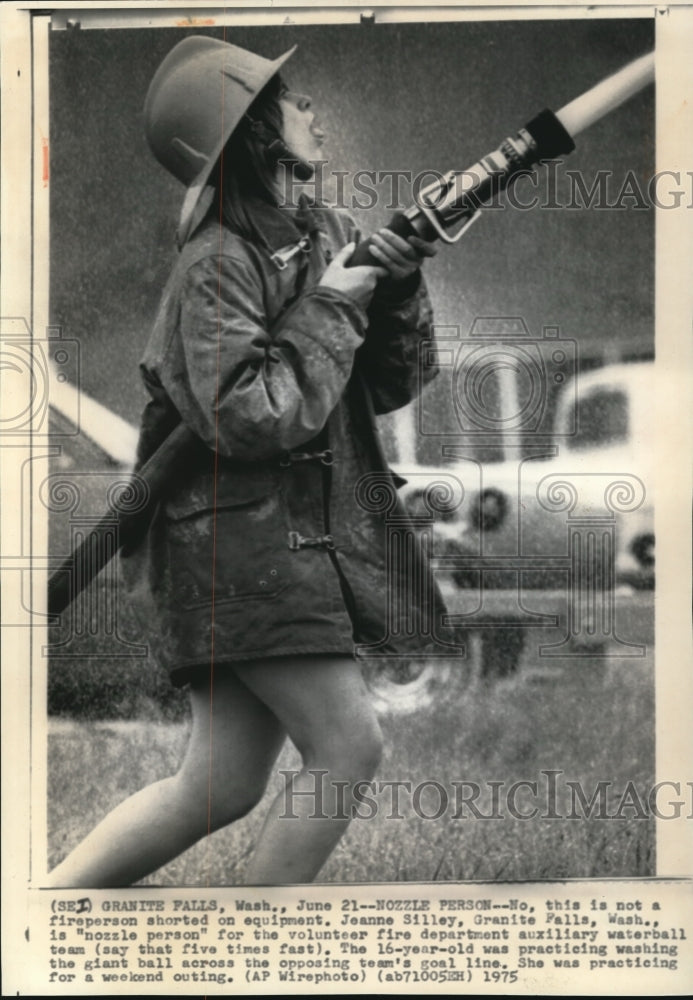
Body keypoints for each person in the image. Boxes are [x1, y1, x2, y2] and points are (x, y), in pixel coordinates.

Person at [47, 34, 446, 888]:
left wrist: (398, 284)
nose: (310, 110)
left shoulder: (331, 233)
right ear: (254, 132)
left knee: (217, 784)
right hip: (235, 549)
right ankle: (251, 952)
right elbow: (253, 417)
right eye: (291, 100)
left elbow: (386, 385)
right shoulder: (215, 265)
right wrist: (335, 305)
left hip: (288, 545)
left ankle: (43, 911)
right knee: (348, 747)